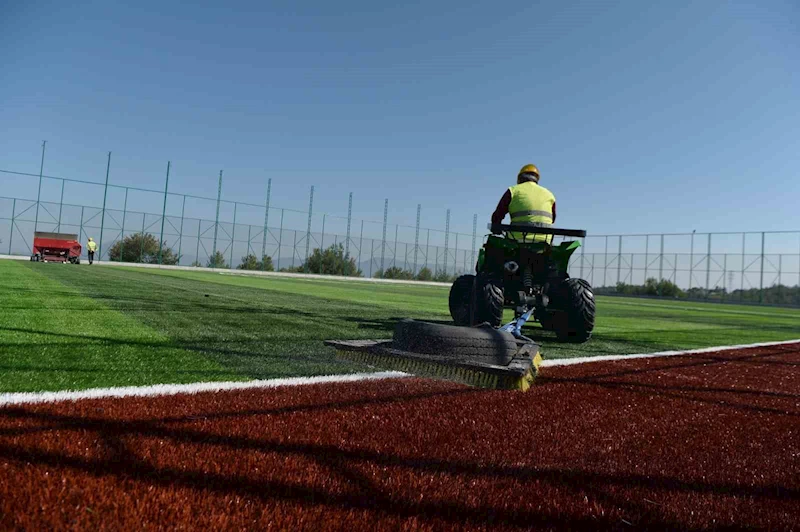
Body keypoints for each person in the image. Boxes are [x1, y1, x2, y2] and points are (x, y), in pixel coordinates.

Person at [491, 164, 556, 243]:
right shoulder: (549, 194)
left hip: (517, 240)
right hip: (544, 241)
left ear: (519, 178)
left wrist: (496, 228)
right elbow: (552, 219)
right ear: (537, 179)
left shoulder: (513, 191)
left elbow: (498, 215)